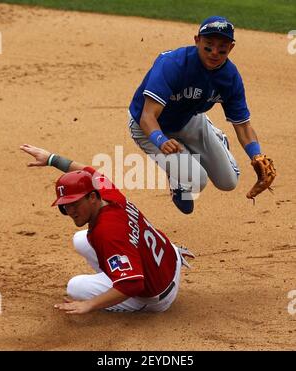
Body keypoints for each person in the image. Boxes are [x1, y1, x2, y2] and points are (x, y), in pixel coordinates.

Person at [20, 144, 194, 314]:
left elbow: (133, 284)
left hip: (156, 294)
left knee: (76, 287)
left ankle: (139, 301)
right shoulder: (107, 193)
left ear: (92, 197)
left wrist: (89, 304)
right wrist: (51, 159)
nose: (70, 211)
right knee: (81, 239)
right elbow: (89, 173)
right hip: (168, 260)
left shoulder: (108, 232)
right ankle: (122, 271)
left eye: (75, 204)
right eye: (65, 206)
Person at [128, 15, 276, 214]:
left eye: (222, 48)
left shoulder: (230, 77)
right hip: (148, 128)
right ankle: (177, 181)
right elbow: (147, 116)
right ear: (197, 40)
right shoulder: (173, 64)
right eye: (208, 46)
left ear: (231, 48)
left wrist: (256, 154)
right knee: (197, 180)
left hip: (189, 120)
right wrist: (161, 140)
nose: (214, 53)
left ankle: (217, 137)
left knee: (228, 181)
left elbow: (242, 125)